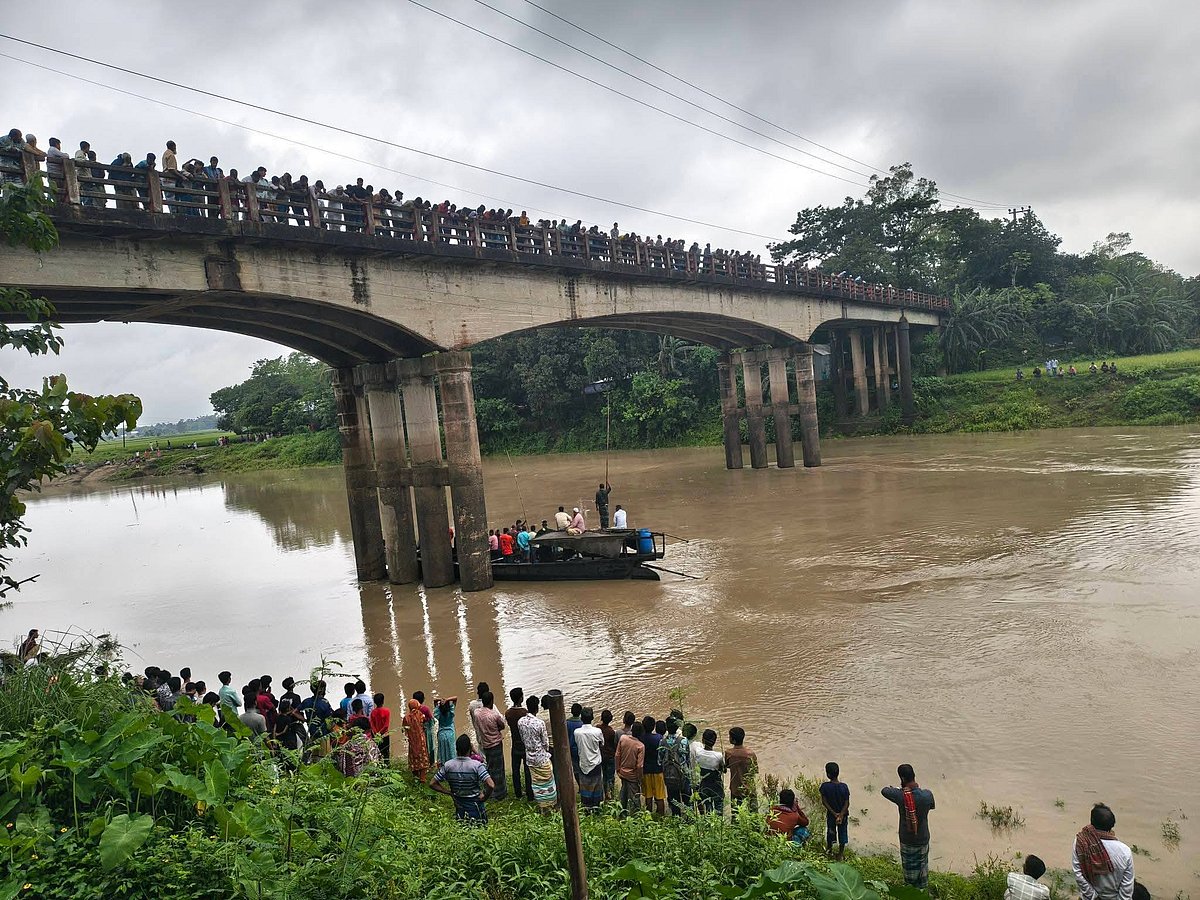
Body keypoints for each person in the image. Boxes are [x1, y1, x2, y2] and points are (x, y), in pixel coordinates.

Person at [882, 764, 936, 890]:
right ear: (914, 776)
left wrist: (901, 789)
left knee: (909, 872)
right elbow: (932, 806)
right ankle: (921, 891)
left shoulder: (901, 796)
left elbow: (884, 790)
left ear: (902, 778)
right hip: (923, 837)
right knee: (922, 869)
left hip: (907, 839)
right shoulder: (927, 795)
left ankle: (911, 892)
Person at [1073, 803, 1134, 900]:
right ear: (1112, 824)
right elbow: (1127, 885)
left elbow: (1078, 874)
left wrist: (1094, 897)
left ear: (1091, 821)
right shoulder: (1125, 851)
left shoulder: (1081, 842)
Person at [431, 734, 495, 824]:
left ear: (456, 749)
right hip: (475, 805)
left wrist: (450, 793)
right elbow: (491, 785)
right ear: (470, 749)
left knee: (462, 826)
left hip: (459, 804)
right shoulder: (476, 765)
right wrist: (484, 797)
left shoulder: (448, 765)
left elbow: (432, 783)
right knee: (479, 828)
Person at [518, 694, 557, 813]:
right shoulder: (540, 723)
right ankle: (551, 806)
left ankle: (542, 806)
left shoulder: (521, 722)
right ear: (537, 708)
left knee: (537, 784)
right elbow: (545, 743)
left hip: (529, 758)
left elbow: (523, 738)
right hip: (541, 758)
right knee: (548, 782)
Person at [471, 691, 507, 801]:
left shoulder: (477, 713)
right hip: (495, 744)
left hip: (486, 744)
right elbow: (502, 726)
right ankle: (500, 793)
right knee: (499, 769)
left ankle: (490, 790)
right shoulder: (494, 715)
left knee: (490, 767)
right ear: (491, 701)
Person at [574, 707, 604, 811]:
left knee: (585, 787)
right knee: (596, 787)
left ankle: (586, 809)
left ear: (581, 718)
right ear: (592, 718)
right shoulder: (597, 731)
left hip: (583, 764)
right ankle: (596, 809)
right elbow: (601, 744)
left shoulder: (577, 732)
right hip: (595, 763)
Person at [660, 718, 692, 815]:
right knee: (687, 799)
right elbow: (687, 759)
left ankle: (676, 819)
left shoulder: (662, 742)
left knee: (674, 800)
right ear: (678, 727)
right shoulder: (684, 741)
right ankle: (689, 819)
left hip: (669, 775)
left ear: (666, 728)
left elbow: (659, 761)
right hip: (684, 774)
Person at [820, 761, 851, 859]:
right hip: (843, 815)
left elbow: (824, 802)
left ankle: (829, 850)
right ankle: (840, 854)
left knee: (830, 832)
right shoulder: (844, 787)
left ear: (828, 774)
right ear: (838, 773)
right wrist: (841, 815)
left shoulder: (825, 786)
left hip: (831, 815)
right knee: (843, 832)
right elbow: (847, 803)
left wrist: (834, 814)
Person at [506, 688, 532, 801]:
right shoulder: (525, 713)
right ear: (521, 698)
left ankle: (518, 793)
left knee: (515, 769)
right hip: (524, 744)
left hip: (515, 744)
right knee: (527, 770)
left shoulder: (508, 713)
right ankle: (529, 792)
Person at [693, 728, 726, 815]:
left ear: (703, 740)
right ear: (715, 741)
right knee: (719, 804)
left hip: (704, 782)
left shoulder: (698, 752)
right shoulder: (718, 756)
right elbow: (723, 769)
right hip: (716, 784)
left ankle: (709, 825)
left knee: (707, 805)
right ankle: (719, 825)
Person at [616, 721, 646, 814]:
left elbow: (617, 755)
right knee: (634, 798)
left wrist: (618, 769)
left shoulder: (623, 738)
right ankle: (635, 816)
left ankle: (621, 813)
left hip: (622, 773)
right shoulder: (640, 746)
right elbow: (639, 766)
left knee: (623, 795)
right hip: (633, 776)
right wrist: (640, 778)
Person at [725, 726, 757, 810]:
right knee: (753, 812)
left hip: (735, 788)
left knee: (735, 813)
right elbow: (755, 771)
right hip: (749, 788)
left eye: (730, 737)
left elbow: (726, 767)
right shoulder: (751, 754)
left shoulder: (729, 753)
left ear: (733, 740)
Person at [404, 699, 430, 782]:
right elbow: (425, 721)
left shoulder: (406, 718)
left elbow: (404, 729)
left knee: (414, 757)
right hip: (420, 739)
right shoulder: (420, 714)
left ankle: (415, 776)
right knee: (422, 756)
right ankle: (422, 777)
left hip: (412, 741)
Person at [599, 709, 618, 801]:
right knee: (610, 776)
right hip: (610, 756)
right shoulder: (611, 732)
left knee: (604, 775)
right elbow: (614, 745)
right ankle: (612, 795)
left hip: (601, 755)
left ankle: (605, 794)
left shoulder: (597, 728)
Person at [434, 696, 458, 765]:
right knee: (451, 751)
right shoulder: (450, 712)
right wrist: (447, 699)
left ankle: (442, 767)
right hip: (450, 734)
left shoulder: (438, 712)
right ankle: (453, 766)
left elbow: (435, 700)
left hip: (441, 734)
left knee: (442, 752)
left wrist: (440, 699)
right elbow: (455, 698)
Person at [414, 690, 435, 766]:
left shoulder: (413, 710)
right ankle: (431, 763)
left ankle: (421, 762)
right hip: (427, 730)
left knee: (421, 747)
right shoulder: (425, 709)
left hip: (418, 731)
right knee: (430, 745)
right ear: (423, 699)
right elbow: (432, 719)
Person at [369, 693, 391, 761]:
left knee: (378, 752)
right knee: (386, 753)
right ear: (383, 701)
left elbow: (372, 725)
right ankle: (387, 767)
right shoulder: (387, 711)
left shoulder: (373, 712)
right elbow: (386, 725)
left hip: (376, 736)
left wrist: (376, 733)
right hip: (384, 735)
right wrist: (380, 733)